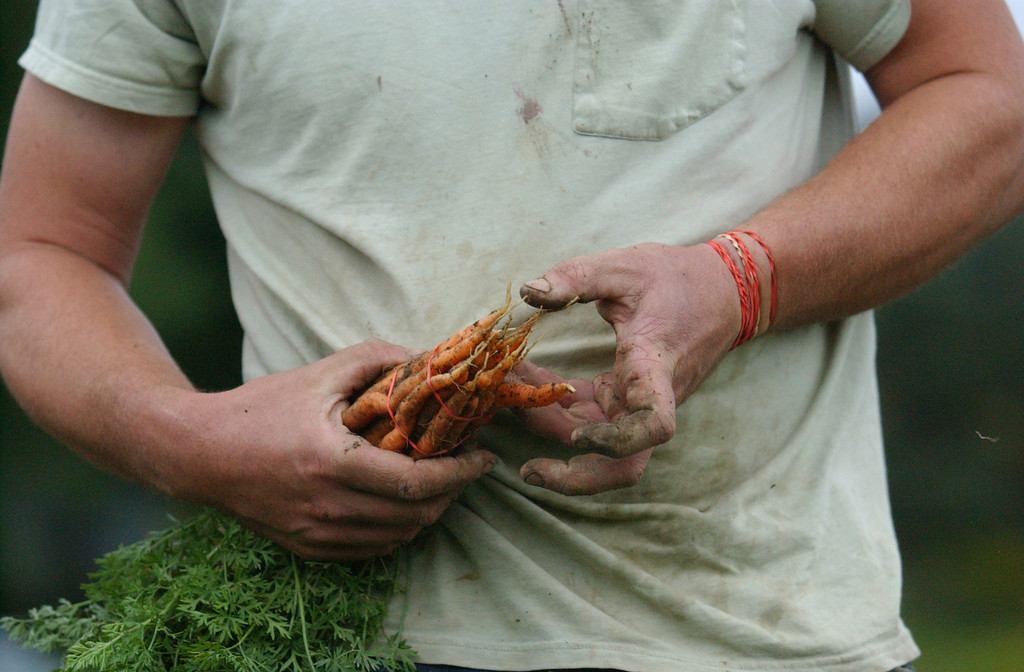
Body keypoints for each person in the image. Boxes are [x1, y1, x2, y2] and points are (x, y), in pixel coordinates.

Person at [2, 1, 1023, 670]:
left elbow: (990, 100)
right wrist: (192, 444)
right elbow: (39, 253)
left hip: (751, 629)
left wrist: (738, 282)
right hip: (327, 636)